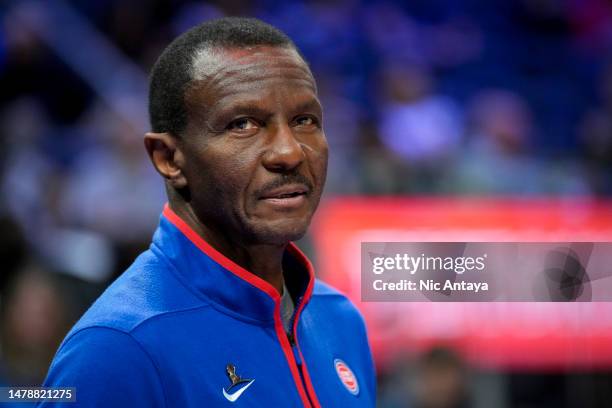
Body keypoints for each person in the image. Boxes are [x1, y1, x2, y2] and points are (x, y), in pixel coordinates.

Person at [40, 17, 375, 407]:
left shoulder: (341, 320)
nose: (289, 152)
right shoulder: (117, 348)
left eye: (305, 120)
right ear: (169, 159)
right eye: (244, 124)